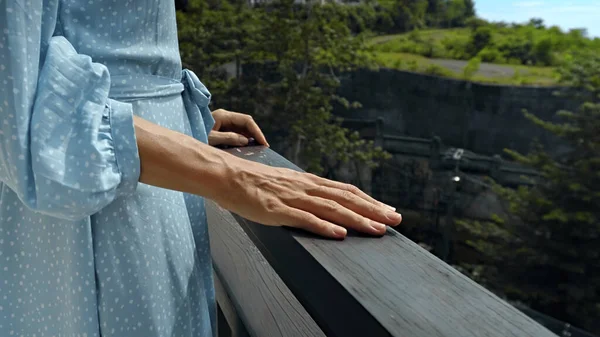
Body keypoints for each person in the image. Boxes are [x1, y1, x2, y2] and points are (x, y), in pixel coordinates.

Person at [0, 1, 402, 336]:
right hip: (103, 215)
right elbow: (17, 103)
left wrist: (175, 123)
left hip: (140, 191)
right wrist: (233, 174)